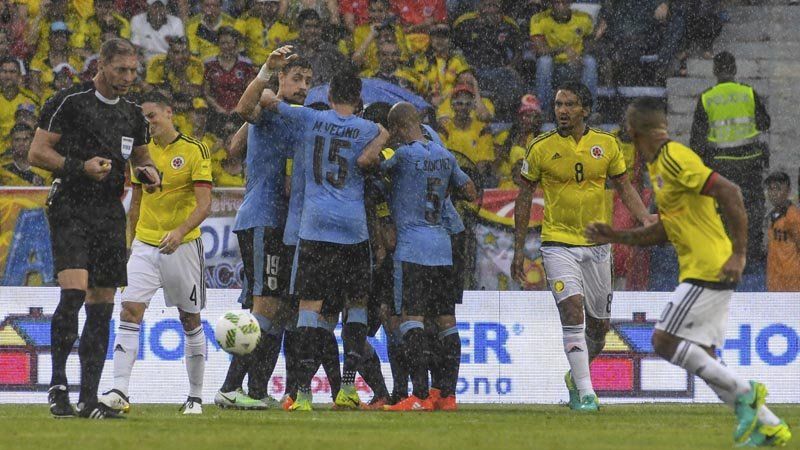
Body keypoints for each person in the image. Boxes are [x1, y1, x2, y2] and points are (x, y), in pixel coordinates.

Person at [585, 97, 791, 447]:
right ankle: (770, 425)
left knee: (663, 341)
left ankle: (747, 392)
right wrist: (616, 235)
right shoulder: (659, 168)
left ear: (640, 133)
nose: (631, 145)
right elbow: (664, 229)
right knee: (706, 359)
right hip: (703, 267)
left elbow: (730, 191)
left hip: (709, 266)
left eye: (631, 137)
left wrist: (740, 255)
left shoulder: (675, 158)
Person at [28, 38, 161, 419]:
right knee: (73, 294)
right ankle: (57, 386)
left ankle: (89, 398)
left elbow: (142, 159)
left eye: (133, 71)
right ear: (101, 65)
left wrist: (150, 175)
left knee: (102, 306)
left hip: (108, 213)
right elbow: (36, 153)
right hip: (70, 205)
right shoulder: (70, 102)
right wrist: (79, 166)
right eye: (121, 70)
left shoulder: (133, 114)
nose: (128, 78)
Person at [511, 82, 651, 412]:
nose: (562, 110)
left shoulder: (607, 144)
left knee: (599, 327)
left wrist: (644, 217)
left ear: (584, 110)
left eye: (570, 104)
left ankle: (576, 377)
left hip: (597, 245)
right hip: (558, 242)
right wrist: (519, 249)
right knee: (572, 311)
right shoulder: (540, 147)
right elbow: (523, 197)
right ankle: (587, 394)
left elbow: (624, 187)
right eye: (559, 104)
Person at [260, 71, 389, 411]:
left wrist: (275, 83)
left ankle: (302, 394)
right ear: (359, 97)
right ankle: (347, 389)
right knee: (355, 305)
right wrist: (382, 134)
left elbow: (262, 100)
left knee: (309, 309)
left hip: (315, 226)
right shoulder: (368, 129)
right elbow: (368, 159)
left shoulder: (310, 117)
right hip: (353, 228)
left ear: (330, 92)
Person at [98, 91, 212, 415]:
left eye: (152, 116)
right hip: (145, 246)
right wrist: (128, 245)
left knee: (189, 319)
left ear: (169, 113)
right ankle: (120, 390)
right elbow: (135, 205)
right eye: (144, 118)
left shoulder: (194, 150)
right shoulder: (140, 154)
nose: (148, 123)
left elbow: (205, 205)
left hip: (184, 245)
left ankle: (195, 396)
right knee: (129, 311)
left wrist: (179, 232)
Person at [213, 47, 313, 409]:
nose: (302, 86)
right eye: (296, 79)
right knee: (266, 306)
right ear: (281, 79)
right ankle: (229, 388)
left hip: (282, 226)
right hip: (263, 220)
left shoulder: (287, 115)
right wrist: (264, 73)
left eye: (307, 81)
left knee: (281, 310)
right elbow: (242, 111)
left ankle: (255, 391)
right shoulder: (271, 110)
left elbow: (235, 146)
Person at [359, 102, 476, 411]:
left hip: (412, 248)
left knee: (412, 321)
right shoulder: (445, 155)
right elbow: (470, 190)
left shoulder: (402, 156)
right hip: (442, 247)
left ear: (396, 129)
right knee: (446, 322)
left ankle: (420, 396)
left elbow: (368, 166)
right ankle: (447, 396)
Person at [690, 51, 771, 278]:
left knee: (724, 210)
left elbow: (696, 141)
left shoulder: (707, 97)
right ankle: (751, 255)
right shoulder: (748, 92)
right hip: (750, 162)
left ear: (715, 71)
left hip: (722, 165)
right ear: (734, 69)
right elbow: (765, 123)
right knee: (752, 207)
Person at [530, 0, 597, 120]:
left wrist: (581, 56)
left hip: (575, 65)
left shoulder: (583, 19)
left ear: (570, 3)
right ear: (551, 4)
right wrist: (564, 49)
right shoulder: (539, 19)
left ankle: (588, 109)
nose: (561, 6)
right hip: (554, 66)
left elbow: (590, 44)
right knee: (544, 62)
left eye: (564, 2)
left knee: (590, 62)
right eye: (556, 2)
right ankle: (544, 110)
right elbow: (540, 49)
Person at [764, 171, 800, 292]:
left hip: (792, 285)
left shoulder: (793, 216)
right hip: (775, 283)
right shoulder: (772, 216)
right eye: (770, 189)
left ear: (788, 191)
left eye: (778, 189)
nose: (773, 193)